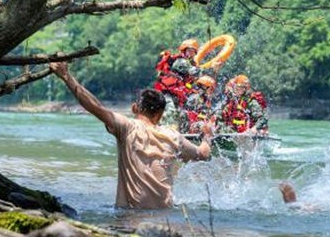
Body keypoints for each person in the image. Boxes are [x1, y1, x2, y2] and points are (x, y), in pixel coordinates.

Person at [49, 61, 213, 209]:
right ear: (161, 114)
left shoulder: (128, 128)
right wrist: (207, 135)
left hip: (129, 217)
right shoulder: (173, 136)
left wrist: (66, 76)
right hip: (166, 218)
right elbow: (203, 154)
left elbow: (94, 106)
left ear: (136, 108)